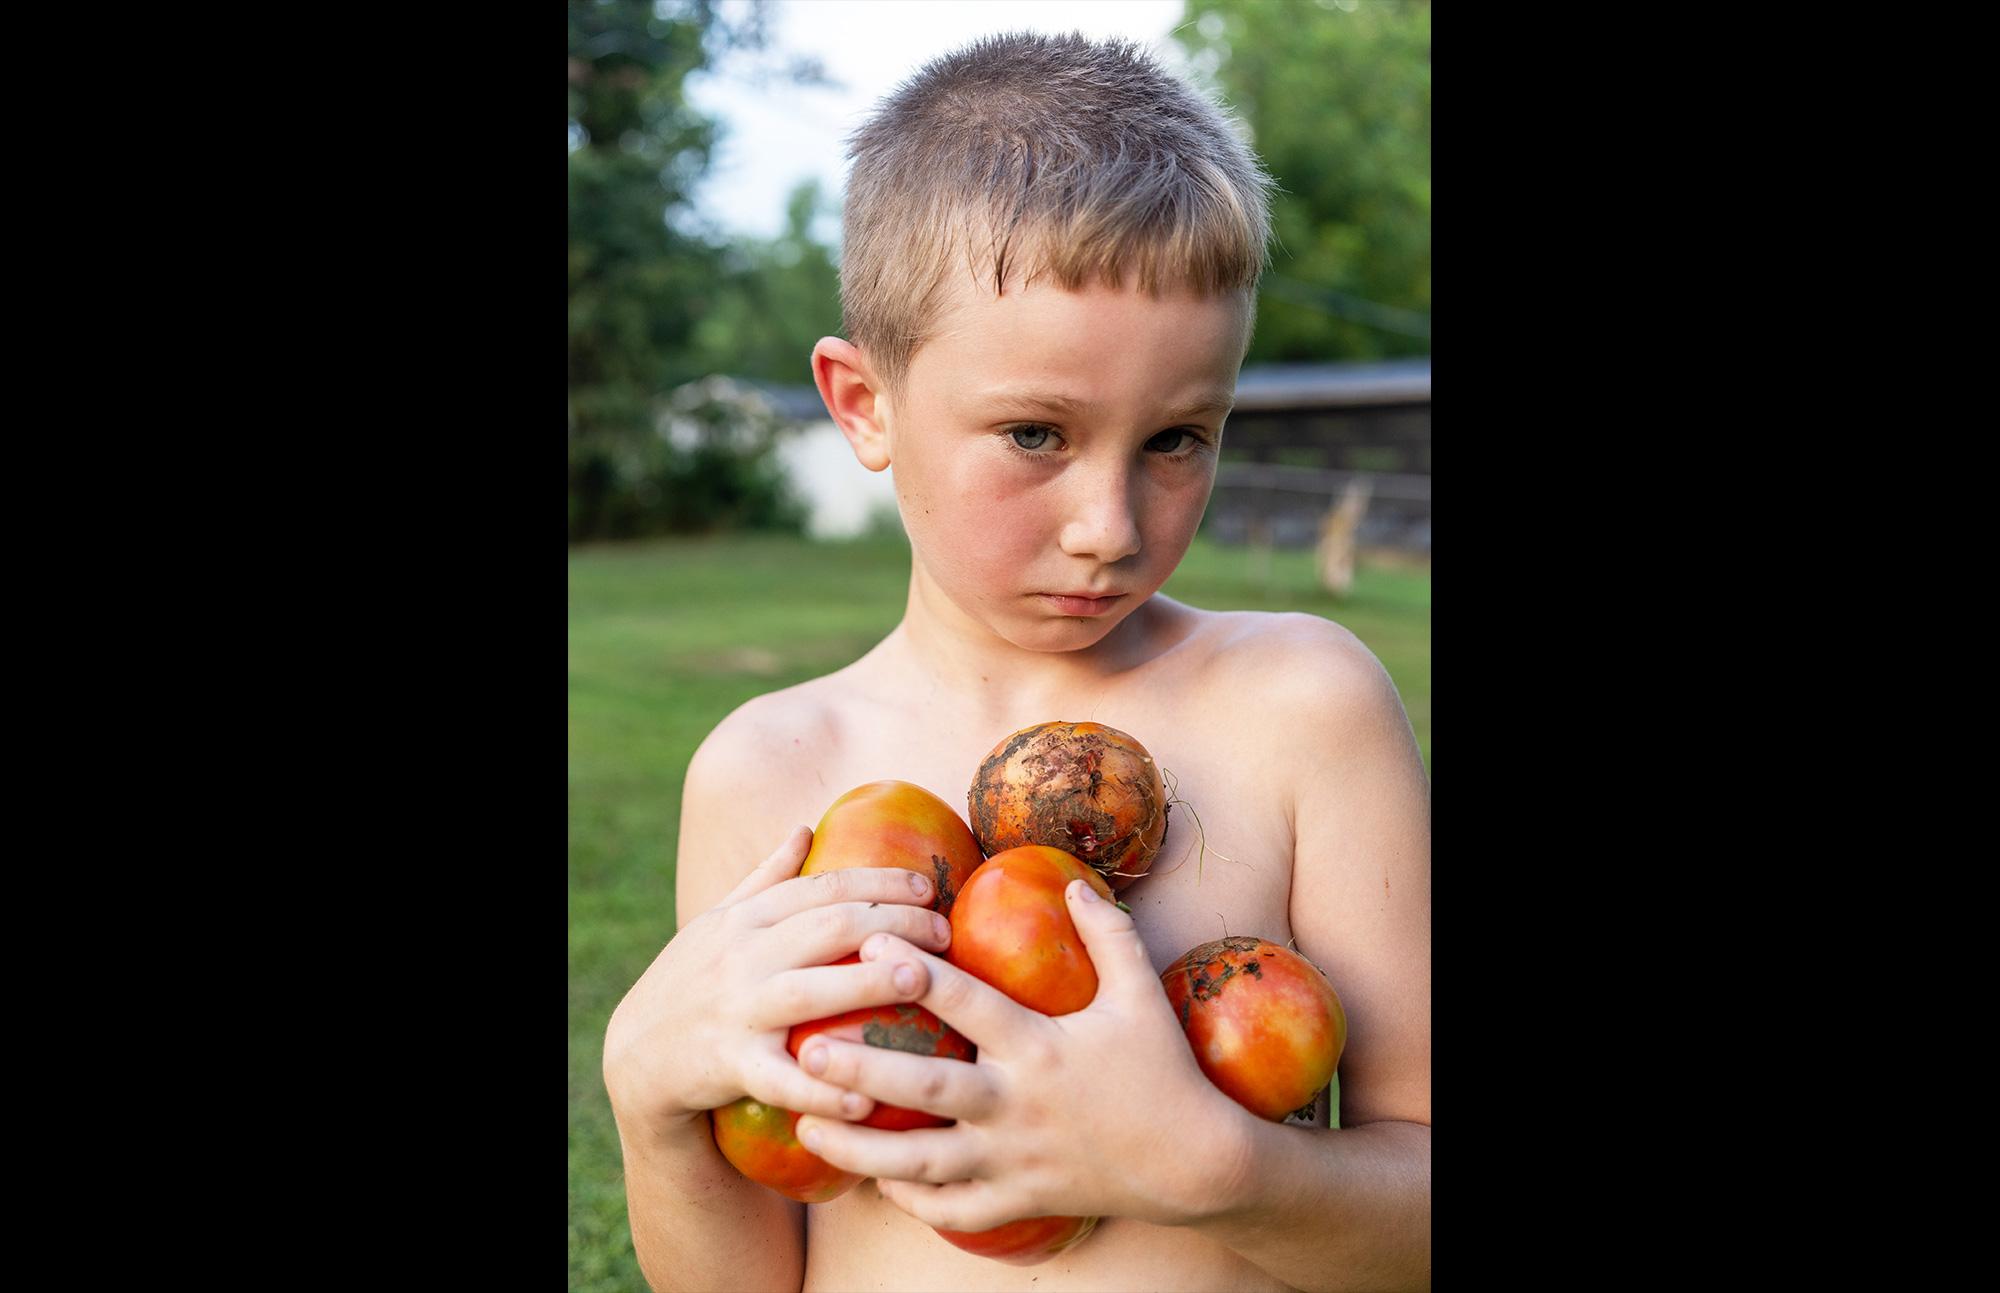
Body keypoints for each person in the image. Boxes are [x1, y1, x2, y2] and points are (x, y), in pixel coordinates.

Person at [603, 31, 1430, 1293]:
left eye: (1175, 439)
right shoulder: (767, 772)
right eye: (1035, 432)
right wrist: (649, 1100)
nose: (1111, 527)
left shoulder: (1301, 709)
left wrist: (1215, 1171)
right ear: (862, 404)